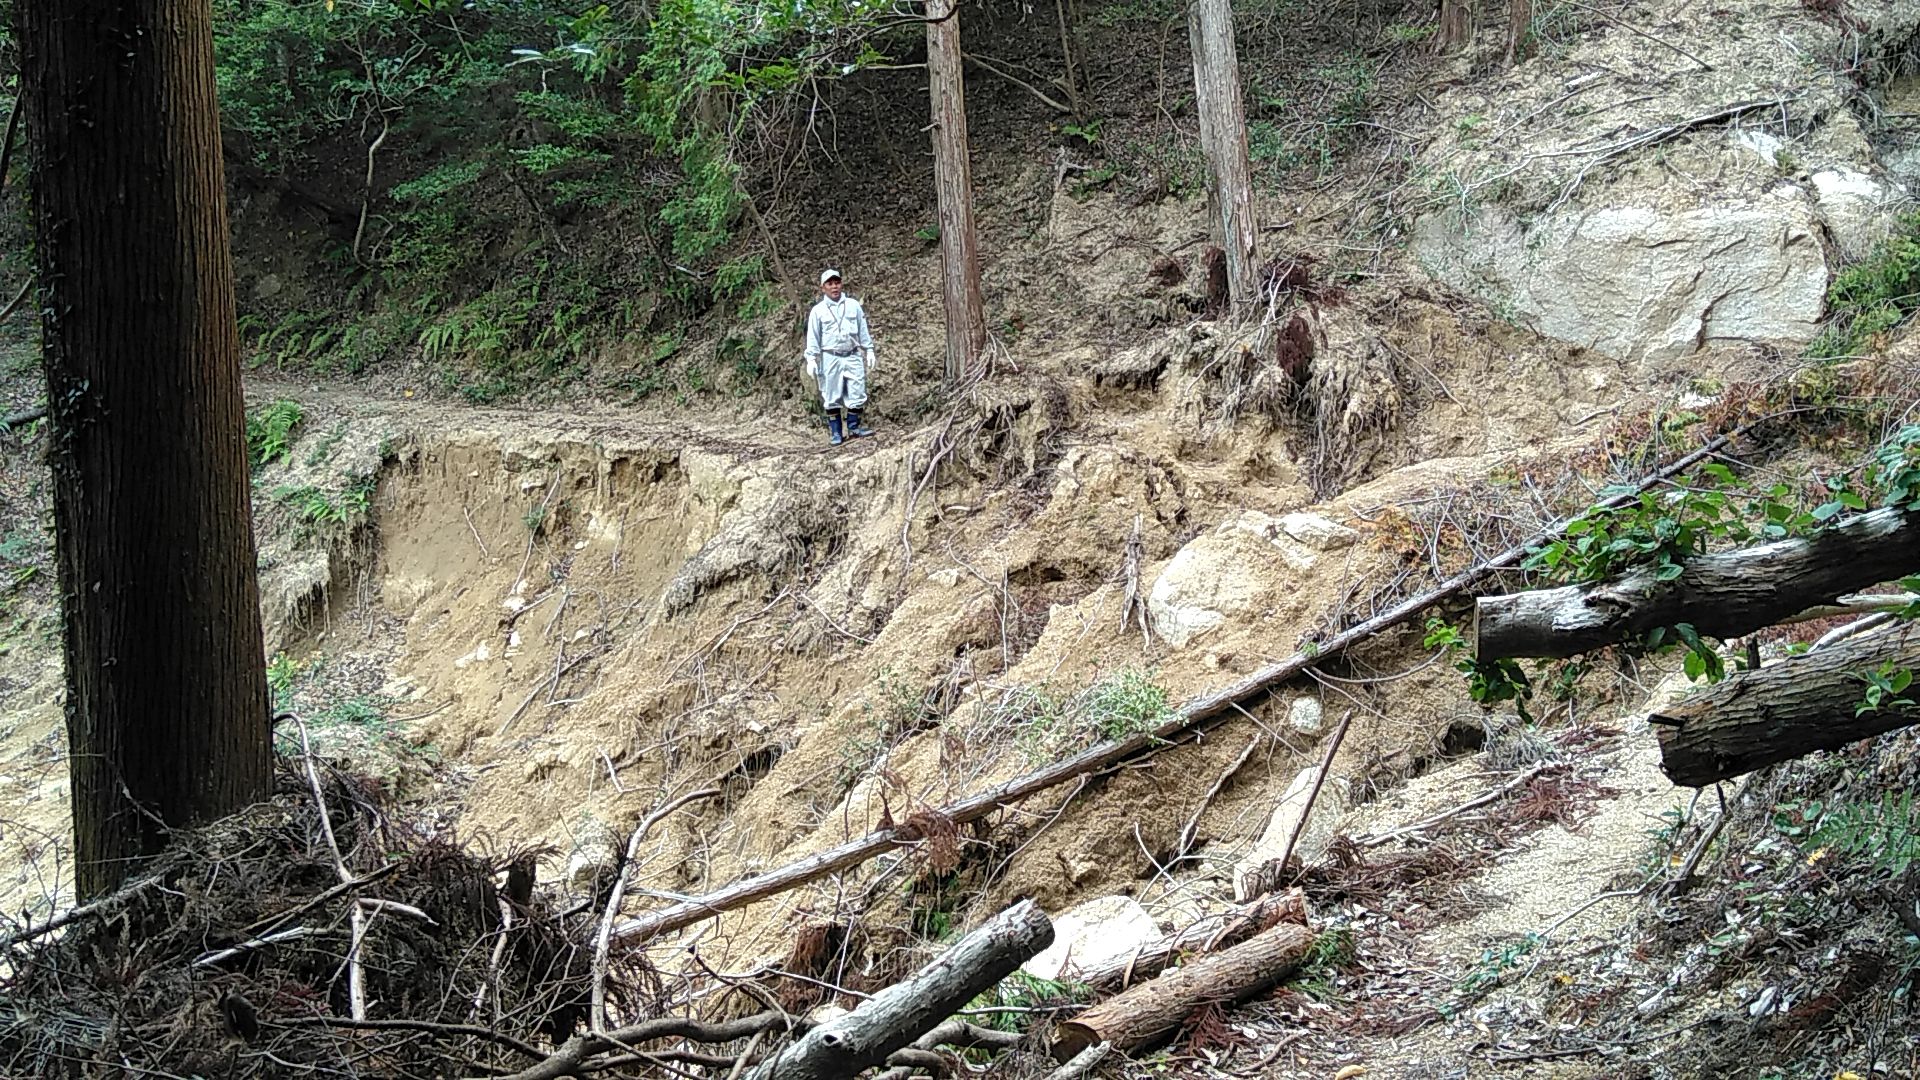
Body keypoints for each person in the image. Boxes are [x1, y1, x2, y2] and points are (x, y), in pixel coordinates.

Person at [803, 268, 877, 446]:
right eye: (830, 283)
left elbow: (862, 329)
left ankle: (854, 427)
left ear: (841, 284)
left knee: (857, 392)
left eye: (837, 282)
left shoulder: (853, 305)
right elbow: (813, 336)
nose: (834, 287)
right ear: (823, 287)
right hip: (830, 357)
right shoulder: (818, 311)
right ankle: (836, 432)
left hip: (852, 355)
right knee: (831, 395)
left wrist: (869, 350)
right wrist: (811, 358)